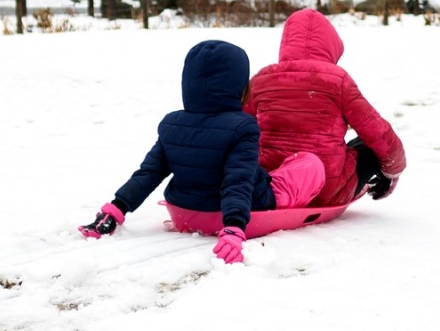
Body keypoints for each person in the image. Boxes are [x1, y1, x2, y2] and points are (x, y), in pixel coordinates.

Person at [78, 40, 325, 264]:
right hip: (230, 215)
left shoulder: (172, 124)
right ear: (239, 87)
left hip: (183, 211)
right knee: (309, 163)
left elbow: (149, 173)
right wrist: (233, 228)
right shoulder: (243, 127)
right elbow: (237, 181)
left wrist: (116, 208)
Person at [244, 9, 406, 209]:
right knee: (370, 145)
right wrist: (393, 170)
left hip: (272, 182)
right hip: (327, 190)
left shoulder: (262, 79)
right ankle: (374, 185)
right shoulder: (337, 80)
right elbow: (376, 130)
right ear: (331, 45)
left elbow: (240, 125)